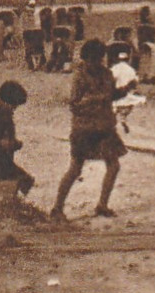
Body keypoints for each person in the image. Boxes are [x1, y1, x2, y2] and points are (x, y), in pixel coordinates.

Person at [51, 39, 125, 222]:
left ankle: (102, 205)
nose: (96, 63)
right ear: (85, 59)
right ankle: (57, 208)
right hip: (84, 129)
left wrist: (124, 91)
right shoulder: (79, 77)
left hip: (105, 126)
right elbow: (74, 105)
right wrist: (95, 100)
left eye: (99, 59)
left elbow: (112, 95)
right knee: (75, 169)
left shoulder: (107, 74)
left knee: (113, 166)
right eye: (92, 60)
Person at [109, 49, 145, 133]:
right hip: (127, 92)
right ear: (127, 59)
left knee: (115, 108)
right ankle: (123, 120)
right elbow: (135, 81)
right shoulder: (130, 69)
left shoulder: (115, 68)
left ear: (118, 59)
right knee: (126, 108)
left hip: (117, 92)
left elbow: (111, 78)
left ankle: (112, 123)